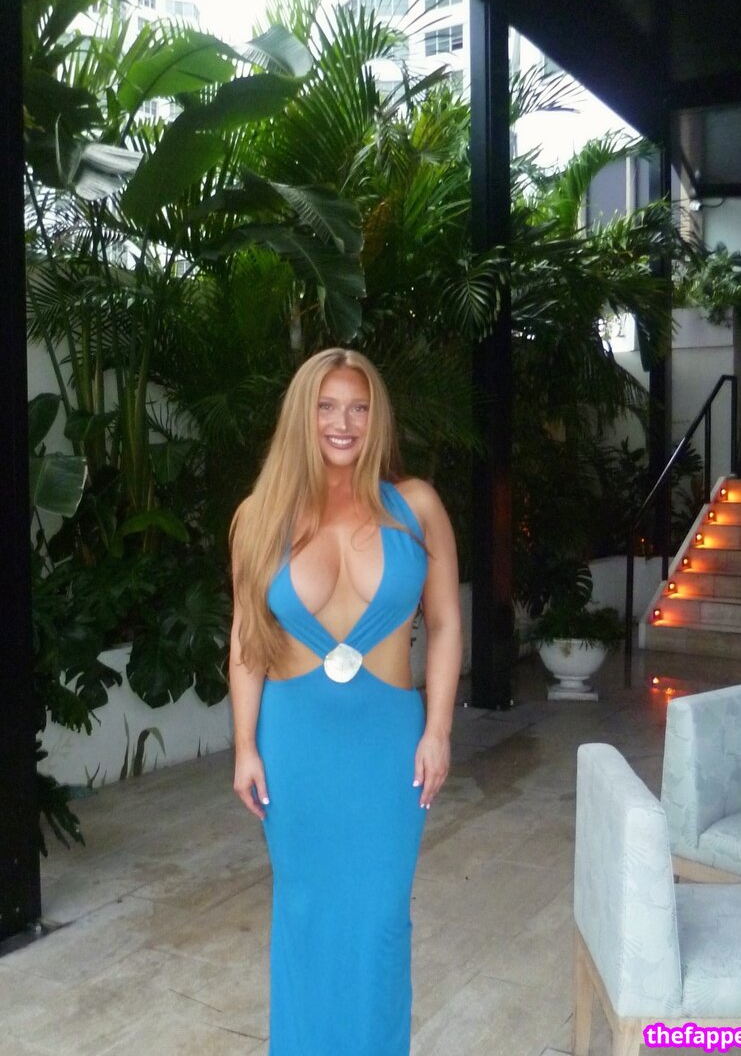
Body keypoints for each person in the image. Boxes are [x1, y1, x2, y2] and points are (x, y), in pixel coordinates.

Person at [229, 347, 462, 1055]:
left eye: (359, 407)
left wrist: (439, 730)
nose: (343, 422)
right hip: (295, 746)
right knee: (304, 916)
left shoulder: (416, 506)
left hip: (388, 745)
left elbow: (446, 622)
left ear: (376, 417)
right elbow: (246, 640)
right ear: (302, 416)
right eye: (327, 406)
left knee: (381, 920)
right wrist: (245, 746)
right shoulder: (259, 516)